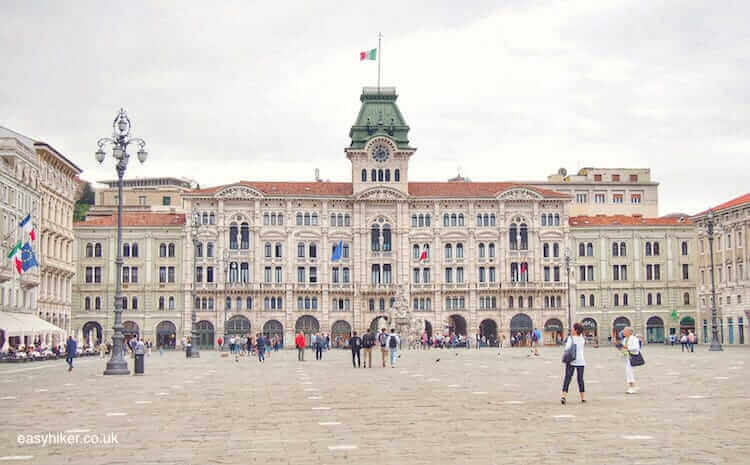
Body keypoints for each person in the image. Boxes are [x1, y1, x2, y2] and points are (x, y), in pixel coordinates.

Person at [561, 323, 586, 404]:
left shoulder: (570, 338)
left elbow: (567, 349)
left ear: (575, 330)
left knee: (568, 378)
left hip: (571, 361)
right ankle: (583, 397)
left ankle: (564, 396)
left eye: (572, 328)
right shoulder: (582, 338)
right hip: (581, 361)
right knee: (580, 379)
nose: (571, 330)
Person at [620, 326, 640, 394]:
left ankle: (632, 387)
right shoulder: (625, 339)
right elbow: (623, 347)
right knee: (628, 372)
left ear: (629, 332)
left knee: (630, 372)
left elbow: (636, 348)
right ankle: (631, 386)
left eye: (625, 331)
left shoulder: (634, 339)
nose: (623, 332)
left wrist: (627, 348)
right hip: (626, 357)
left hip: (632, 357)